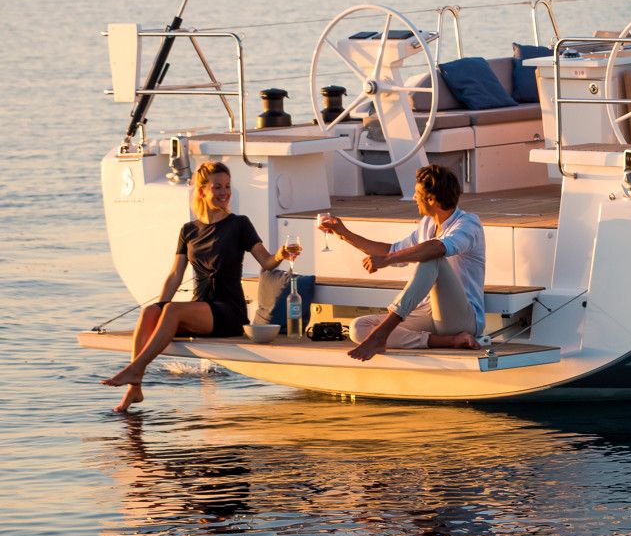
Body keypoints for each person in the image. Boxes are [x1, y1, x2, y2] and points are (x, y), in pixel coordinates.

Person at [102, 161, 295, 413]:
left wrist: (281, 254)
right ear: (202, 190)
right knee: (150, 312)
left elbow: (267, 262)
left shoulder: (239, 224)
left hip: (228, 312)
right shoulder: (189, 230)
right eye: (217, 187)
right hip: (200, 308)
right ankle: (134, 388)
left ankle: (136, 370)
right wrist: (160, 307)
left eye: (227, 186)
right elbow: (175, 274)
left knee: (172, 311)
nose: (224, 192)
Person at [317, 164, 484, 362]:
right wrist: (344, 234)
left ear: (431, 199)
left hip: (462, 319)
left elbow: (437, 248)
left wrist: (387, 260)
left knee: (432, 258)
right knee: (359, 327)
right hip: (428, 313)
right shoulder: (428, 224)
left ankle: (382, 334)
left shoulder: (468, 224)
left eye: (417, 193)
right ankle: (449, 341)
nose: (414, 198)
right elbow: (393, 250)